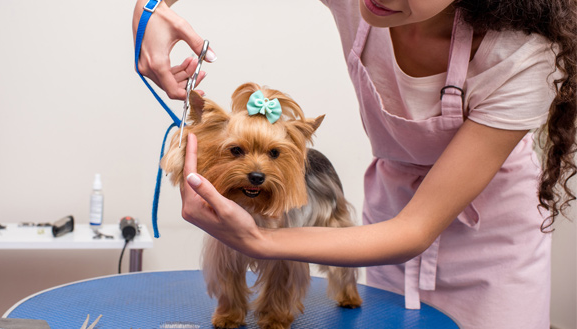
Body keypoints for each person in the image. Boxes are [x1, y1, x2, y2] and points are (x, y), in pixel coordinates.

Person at [133, 0, 577, 327]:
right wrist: (150, 10)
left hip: (491, 247)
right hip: (382, 227)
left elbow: (416, 230)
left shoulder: (523, 55)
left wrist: (261, 242)